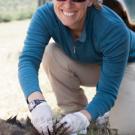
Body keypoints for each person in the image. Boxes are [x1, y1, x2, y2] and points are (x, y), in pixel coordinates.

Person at [18, 0, 135, 134]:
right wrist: (36, 103)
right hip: (95, 63)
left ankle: (88, 115)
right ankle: (74, 114)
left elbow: (107, 92)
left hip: (128, 64)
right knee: (51, 53)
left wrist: (84, 116)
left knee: (124, 129)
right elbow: (28, 60)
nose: (68, 5)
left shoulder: (112, 27)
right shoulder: (44, 15)